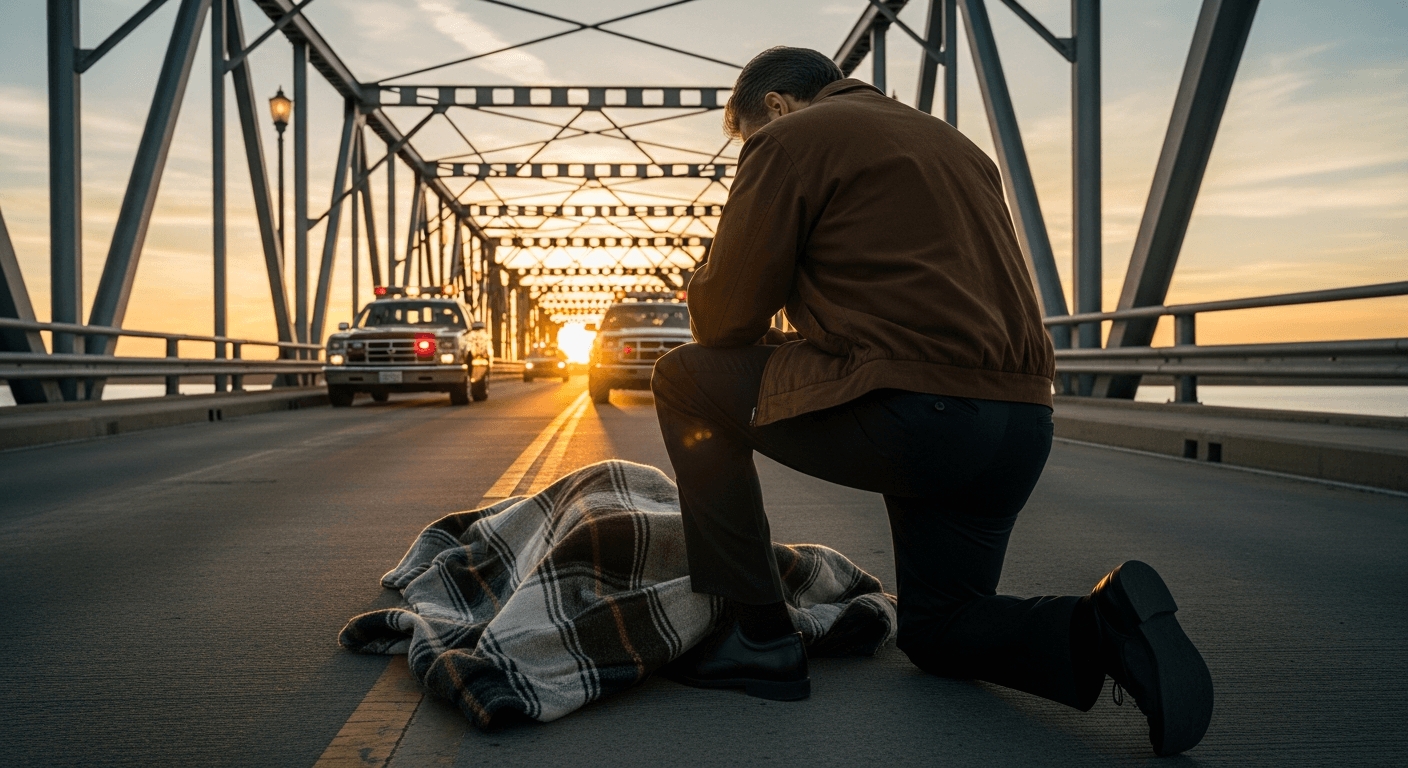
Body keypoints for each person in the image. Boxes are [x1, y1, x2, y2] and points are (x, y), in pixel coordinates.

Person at [650, 47, 1212, 756]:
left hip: (915, 415)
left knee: (684, 378)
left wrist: (715, 275)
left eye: (746, 139)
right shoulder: (959, 145)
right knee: (940, 626)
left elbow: (724, 320)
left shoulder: (788, 138)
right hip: (1020, 423)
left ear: (777, 106)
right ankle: (1105, 627)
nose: (749, 153)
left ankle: (755, 636)